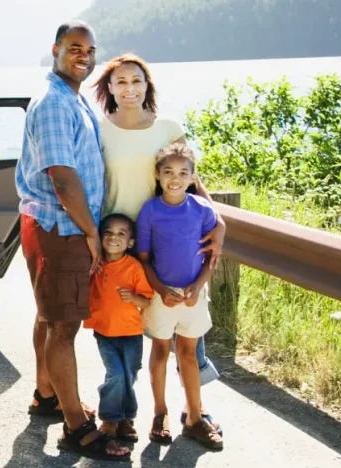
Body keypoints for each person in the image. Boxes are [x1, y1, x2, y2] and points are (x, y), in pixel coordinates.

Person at [91, 53, 226, 441]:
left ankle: (194, 413)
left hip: (169, 241)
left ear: (147, 85)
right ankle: (128, 412)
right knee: (130, 335)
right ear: (109, 88)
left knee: (188, 336)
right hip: (122, 242)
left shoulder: (168, 127)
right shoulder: (99, 130)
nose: (130, 88)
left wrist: (219, 220)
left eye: (137, 80)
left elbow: (190, 179)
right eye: (121, 82)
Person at [16, 19, 130, 461]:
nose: (83, 55)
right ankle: (77, 428)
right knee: (64, 327)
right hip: (60, 228)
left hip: (54, 226)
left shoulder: (70, 99)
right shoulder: (53, 104)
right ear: (56, 49)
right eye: (74, 48)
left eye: (89, 49)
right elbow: (62, 179)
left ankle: (47, 394)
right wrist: (90, 233)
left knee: (50, 315)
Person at [137, 143, 224, 451]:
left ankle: (195, 418)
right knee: (160, 352)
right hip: (163, 294)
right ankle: (160, 413)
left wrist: (198, 287)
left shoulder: (202, 210)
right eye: (168, 172)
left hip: (193, 294)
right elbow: (144, 258)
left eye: (183, 173)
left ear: (192, 178)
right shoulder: (150, 210)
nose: (175, 179)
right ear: (158, 176)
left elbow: (210, 258)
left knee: (188, 353)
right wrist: (160, 290)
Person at [82, 213, 154, 444]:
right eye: (108, 232)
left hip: (132, 333)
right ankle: (110, 420)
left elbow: (146, 300)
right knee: (117, 375)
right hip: (104, 332)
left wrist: (133, 297)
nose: (114, 238)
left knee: (128, 376)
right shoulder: (95, 262)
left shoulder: (133, 267)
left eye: (121, 234)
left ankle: (126, 419)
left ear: (131, 242)